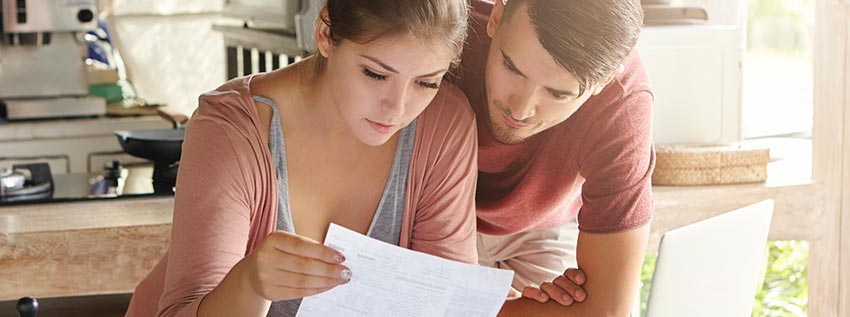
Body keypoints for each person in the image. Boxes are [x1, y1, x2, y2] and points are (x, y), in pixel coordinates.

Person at [124, 0, 478, 316]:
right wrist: (249, 285)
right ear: (326, 33)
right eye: (375, 74)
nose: (397, 109)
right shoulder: (231, 128)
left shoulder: (444, 126)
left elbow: (447, 303)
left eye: (426, 83)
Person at [452, 0, 656, 315]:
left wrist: (473, 305)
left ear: (603, 82)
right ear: (495, 18)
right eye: (511, 67)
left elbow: (605, 310)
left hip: (539, 228)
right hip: (433, 218)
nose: (520, 109)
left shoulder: (623, 106)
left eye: (557, 94)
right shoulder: (446, 32)